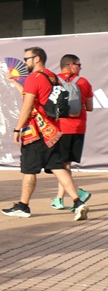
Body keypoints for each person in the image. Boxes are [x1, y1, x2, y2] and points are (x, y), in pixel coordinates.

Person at [3, 47, 89, 220]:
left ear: (37, 59)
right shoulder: (51, 76)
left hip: (35, 131)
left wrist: (17, 128)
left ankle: (24, 206)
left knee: (29, 170)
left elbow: (28, 106)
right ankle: (78, 202)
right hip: (53, 130)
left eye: (27, 58)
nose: (24, 62)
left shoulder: (33, 78)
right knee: (57, 166)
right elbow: (33, 97)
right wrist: (14, 82)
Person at [52, 54, 94, 210]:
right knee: (65, 164)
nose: (81, 68)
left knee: (59, 165)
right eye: (79, 64)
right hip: (78, 128)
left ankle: (78, 194)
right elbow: (89, 107)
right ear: (71, 65)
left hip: (59, 127)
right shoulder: (84, 82)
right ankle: (59, 199)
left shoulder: (53, 81)